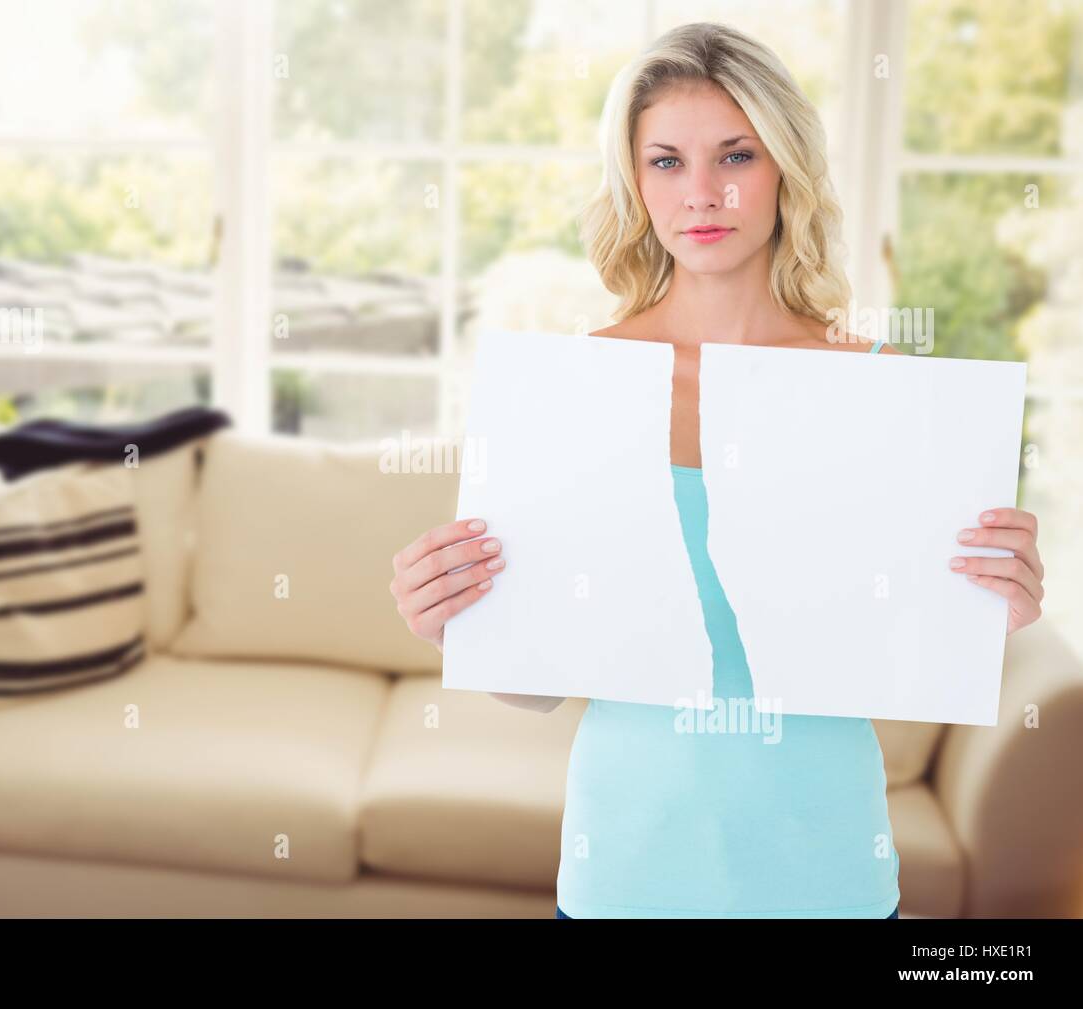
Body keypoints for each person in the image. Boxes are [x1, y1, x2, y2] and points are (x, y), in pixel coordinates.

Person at [388, 21, 1045, 918]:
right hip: (624, 871)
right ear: (635, 181)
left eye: (735, 155)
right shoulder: (575, 388)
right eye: (666, 162)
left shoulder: (880, 386)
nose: (701, 193)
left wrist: (986, 610)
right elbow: (540, 686)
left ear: (787, 168)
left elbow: (906, 655)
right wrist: (459, 621)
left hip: (829, 876)